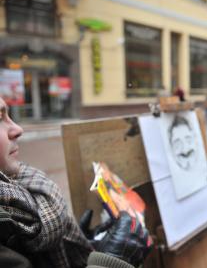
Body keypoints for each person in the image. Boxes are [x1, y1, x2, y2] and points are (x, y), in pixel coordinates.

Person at [0, 96, 150, 268]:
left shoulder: (16, 202)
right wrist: (111, 262)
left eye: (9, 116)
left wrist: (79, 242)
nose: (18, 129)